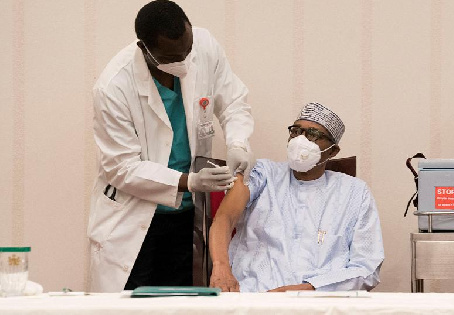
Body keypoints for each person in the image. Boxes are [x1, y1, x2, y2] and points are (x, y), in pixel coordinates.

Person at [88, 0, 255, 292]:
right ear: (144, 48)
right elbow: (120, 167)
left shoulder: (203, 46)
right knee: (131, 304)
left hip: (187, 215)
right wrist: (189, 181)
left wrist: (238, 143)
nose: (184, 62)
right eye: (171, 57)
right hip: (134, 217)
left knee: (180, 301)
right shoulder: (113, 86)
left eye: (187, 51)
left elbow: (233, 102)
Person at [208, 102, 384, 292]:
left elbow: (367, 267)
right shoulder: (262, 174)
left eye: (313, 135)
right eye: (296, 131)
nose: (300, 140)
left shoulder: (355, 193)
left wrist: (308, 290)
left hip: (320, 305)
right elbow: (225, 218)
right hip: (254, 297)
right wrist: (221, 267)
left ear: (332, 151)